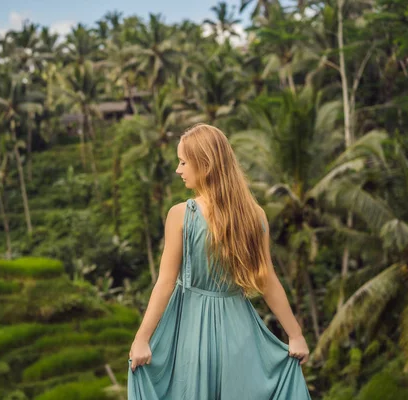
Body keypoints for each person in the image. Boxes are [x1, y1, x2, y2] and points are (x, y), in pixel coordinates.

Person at [127, 123, 312, 399]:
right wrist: (295, 335)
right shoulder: (255, 215)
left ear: (206, 165)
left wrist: (142, 339)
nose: (178, 170)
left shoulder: (182, 215)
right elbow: (267, 280)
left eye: (183, 162)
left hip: (190, 334)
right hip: (239, 335)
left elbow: (165, 283)